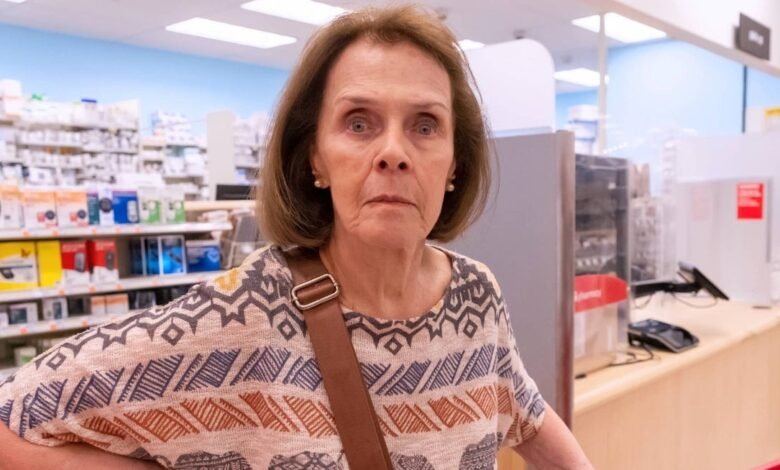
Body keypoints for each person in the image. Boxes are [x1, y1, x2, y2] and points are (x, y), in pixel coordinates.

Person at [0, 6, 592, 469]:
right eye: (359, 123)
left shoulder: (474, 294)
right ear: (316, 157)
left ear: (455, 162)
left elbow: (525, 414)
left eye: (425, 125)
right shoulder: (247, 310)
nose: (393, 152)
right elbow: (13, 419)